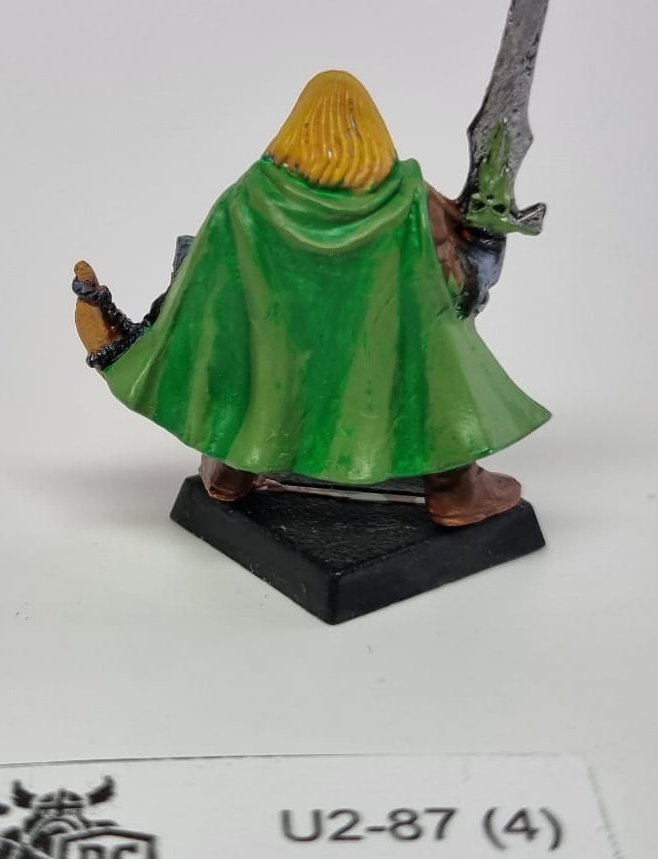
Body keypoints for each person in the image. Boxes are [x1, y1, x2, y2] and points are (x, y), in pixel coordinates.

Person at [73, 70, 547, 527]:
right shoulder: (411, 203)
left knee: (249, 353)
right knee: (432, 353)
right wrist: (485, 234)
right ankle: (453, 488)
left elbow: (209, 301)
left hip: (287, 366)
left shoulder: (247, 202)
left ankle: (233, 469)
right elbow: (462, 284)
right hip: (379, 366)